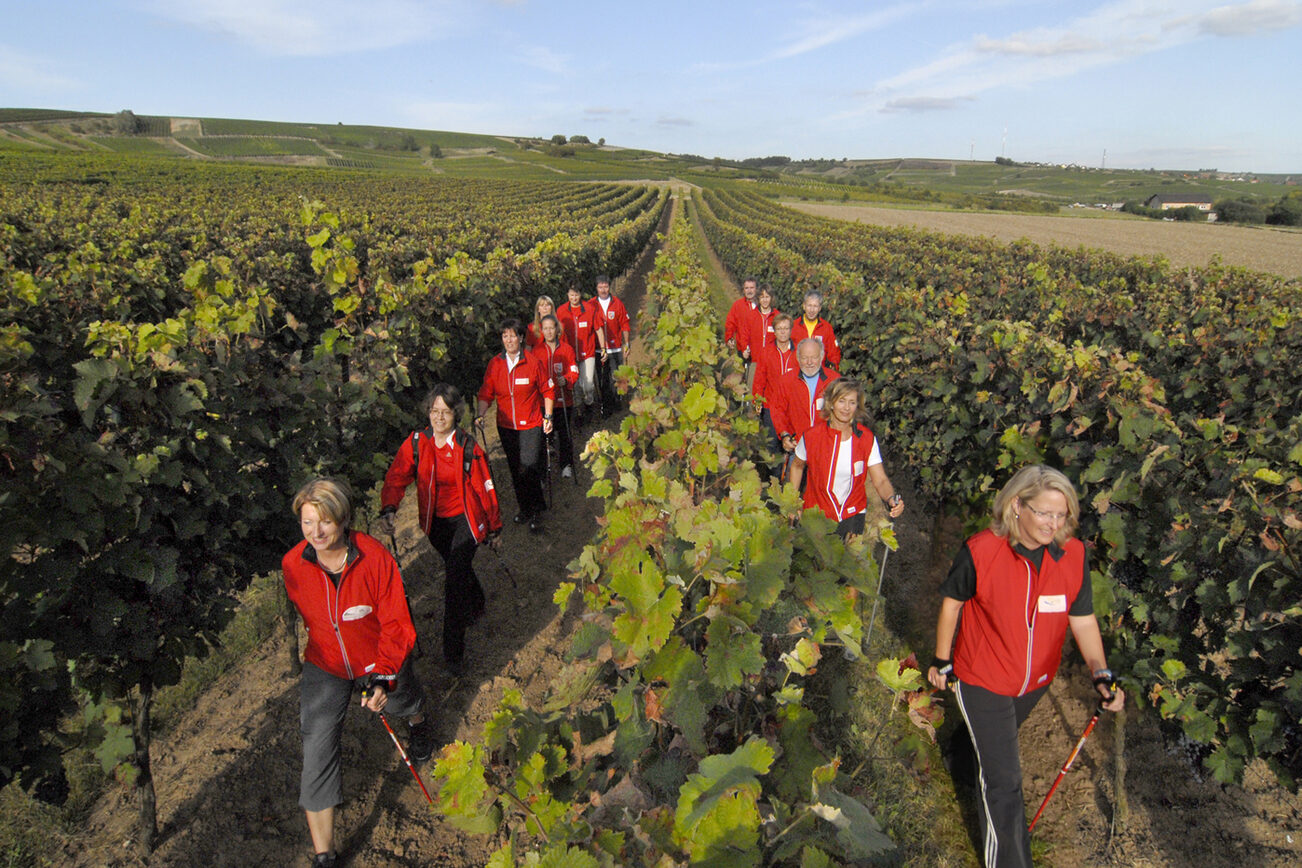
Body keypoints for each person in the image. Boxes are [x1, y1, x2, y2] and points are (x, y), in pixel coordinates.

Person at [925, 465, 1125, 868]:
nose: (1054, 523)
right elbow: (953, 602)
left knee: (989, 743)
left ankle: (958, 761)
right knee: (1004, 783)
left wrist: (1100, 673)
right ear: (1017, 505)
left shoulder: (1073, 555)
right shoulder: (982, 550)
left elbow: (1082, 618)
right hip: (983, 677)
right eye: (1044, 513)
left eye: (1062, 514)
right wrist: (941, 660)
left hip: (1034, 681)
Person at [282, 477, 433, 868]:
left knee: (402, 698)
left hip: (377, 657)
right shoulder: (293, 565)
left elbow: (397, 623)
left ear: (343, 519)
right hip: (326, 663)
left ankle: (418, 720)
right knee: (316, 747)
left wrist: (383, 675)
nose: (316, 533)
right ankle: (324, 855)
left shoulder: (374, 557)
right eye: (307, 523)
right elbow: (316, 620)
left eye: (325, 522)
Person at [378, 384, 503, 672]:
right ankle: (478, 601)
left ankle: (453, 652)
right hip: (435, 523)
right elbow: (397, 475)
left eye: (445, 412)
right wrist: (389, 507)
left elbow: (487, 490)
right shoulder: (417, 443)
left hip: (466, 522)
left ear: (455, 414)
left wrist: (495, 529)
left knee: (453, 581)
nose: (439, 417)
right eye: (434, 411)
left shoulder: (468, 447)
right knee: (455, 566)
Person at [787, 378, 904, 538]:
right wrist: (792, 503)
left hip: (853, 516)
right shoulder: (812, 436)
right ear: (831, 403)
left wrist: (891, 499)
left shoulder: (866, 439)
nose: (846, 408)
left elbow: (881, 480)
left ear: (857, 407)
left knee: (847, 562)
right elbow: (797, 466)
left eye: (852, 402)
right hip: (817, 514)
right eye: (842, 401)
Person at [476, 318, 554, 532]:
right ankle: (525, 508)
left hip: (530, 423)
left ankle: (537, 509)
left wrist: (548, 417)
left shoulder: (532, 362)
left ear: (521, 338)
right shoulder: (496, 364)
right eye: (505, 336)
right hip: (507, 426)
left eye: (513, 335)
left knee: (529, 465)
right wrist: (480, 414)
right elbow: (486, 392)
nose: (509, 340)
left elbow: (547, 390)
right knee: (516, 469)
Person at [770, 338, 839, 472]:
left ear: (821, 357)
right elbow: (778, 410)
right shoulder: (787, 380)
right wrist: (784, 435)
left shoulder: (834, 381)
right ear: (798, 358)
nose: (809, 362)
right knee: (793, 490)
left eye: (813, 358)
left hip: (826, 448)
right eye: (804, 358)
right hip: (797, 446)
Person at [531, 314, 580, 477]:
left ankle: (566, 465)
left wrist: (566, 379)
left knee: (565, 435)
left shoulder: (567, 349)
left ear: (557, 329)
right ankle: (544, 470)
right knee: (544, 437)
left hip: (564, 401)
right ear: (541, 331)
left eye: (552, 327)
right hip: (544, 403)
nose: (549, 331)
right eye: (545, 328)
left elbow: (574, 371)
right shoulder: (536, 352)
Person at [557, 285, 606, 424]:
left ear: (581, 294)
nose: (574, 298)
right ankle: (580, 411)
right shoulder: (561, 311)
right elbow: (557, 331)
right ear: (567, 294)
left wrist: (603, 348)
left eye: (576, 295)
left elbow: (598, 329)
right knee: (576, 386)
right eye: (571, 295)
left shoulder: (590, 309)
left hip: (588, 353)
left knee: (588, 384)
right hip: (570, 356)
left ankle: (589, 403)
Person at [752, 312, 797, 460]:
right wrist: (757, 400)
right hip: (771, 405)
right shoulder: (767, 352)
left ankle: (790, 477)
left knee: (792, 445)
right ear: (775, 331)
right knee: (771, 446)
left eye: (786, 328)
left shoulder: (798, 353)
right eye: (779, 329)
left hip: (792, 408)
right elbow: (759, 379)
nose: (783, 332)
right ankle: (773, 477)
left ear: (790, 330)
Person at [592, 274, 630, 415]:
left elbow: (625, 324)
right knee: (603, 379)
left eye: (605, 287)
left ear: (609, 287)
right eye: (600, 287)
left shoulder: (617, 304)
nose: (603, 290)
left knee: (616, 376)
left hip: (615, 348)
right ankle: (606, 406)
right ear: (596, 288)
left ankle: (616, 401)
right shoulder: (591, 305)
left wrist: (626, 343)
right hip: (598, 350)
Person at [791, 290, 841, 371]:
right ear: (804, 306)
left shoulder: (826, 328)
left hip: (819, 375)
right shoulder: (793, 326)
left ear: (820, 308)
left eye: (815, 306)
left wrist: (832, 373)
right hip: (797, 374)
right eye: (809, 306)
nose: (812, 310)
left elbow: (834, 354)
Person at [724, 276, 759, 363]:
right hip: (742, 349)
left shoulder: (762, 306)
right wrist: (729, 337)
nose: (749, 291)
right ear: (743, 290)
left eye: (752, 288)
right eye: (746, 288)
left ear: (756, 289)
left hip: (758, 350)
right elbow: (730, 323)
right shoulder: (738, 305)